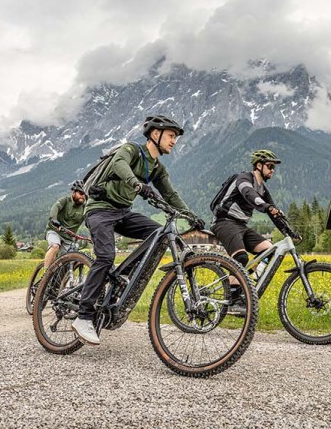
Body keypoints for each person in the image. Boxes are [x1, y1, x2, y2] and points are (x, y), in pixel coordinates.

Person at [73, 115, 201, 346]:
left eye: (175, 138)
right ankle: (83, 317)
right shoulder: (132, 149)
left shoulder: (157, 168)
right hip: (100, 210)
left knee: (158, 235)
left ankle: (123, 276)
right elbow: (118, 164)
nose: (174, 141)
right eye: (171, 136)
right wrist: (136, 184)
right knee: (105, 256)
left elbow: (170, 195)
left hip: (122, 212)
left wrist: (191, 215)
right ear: (155, 134)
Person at [210, 149, 283, 315]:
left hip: (241, 225)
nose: (272, 170)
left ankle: (245, 285)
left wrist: (290, 232)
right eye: (270, 166)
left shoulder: (263, 189)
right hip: (224, 222)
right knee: (240, 257)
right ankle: (234, 301)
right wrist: (266, 206)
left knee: (270, 250)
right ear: (259, 165)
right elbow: (249, 194)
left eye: (274, 168)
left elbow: (274, 213)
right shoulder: (243, 178)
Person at [44, 180, 87, 269]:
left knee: (66, 262)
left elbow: (90, 220)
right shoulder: (65, 201)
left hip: (69, 238)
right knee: (55, 246)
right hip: (55, 231)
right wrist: (54, 220)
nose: (82, 196)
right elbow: (55, 208)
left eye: (84, 195)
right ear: (73, 192)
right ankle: (45, 276)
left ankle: (58, 281)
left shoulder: (84, 208)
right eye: (80, 193)